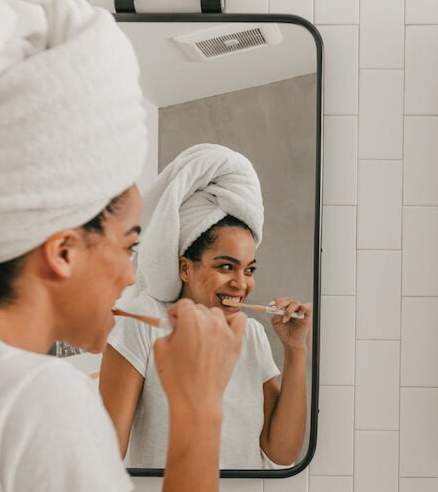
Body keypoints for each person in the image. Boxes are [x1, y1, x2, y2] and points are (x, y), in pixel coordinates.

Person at [0, 0, 239, 492]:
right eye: (128, 245)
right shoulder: (38, 397)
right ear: (63, 250)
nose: (132, 277)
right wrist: (199, 405)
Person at [100, 143, 312, 469]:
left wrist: (295, 349)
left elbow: (282, 453)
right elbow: (105, 456)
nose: (241, 283)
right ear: (185, 268)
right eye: (226, 266)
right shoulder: (143, 321)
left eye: (249, 269)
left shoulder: (251, 334)